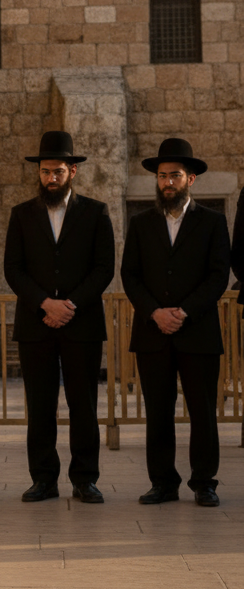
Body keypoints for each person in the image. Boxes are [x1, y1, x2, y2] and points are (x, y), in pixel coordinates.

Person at [3, 132, 115, 504]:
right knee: (40, 405)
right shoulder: (21, 214)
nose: (51, 178)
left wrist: (69, 305)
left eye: (58, 171)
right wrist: (44, 304)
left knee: (83, 404)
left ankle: (85, 479)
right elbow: (13, 269)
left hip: (80, 323)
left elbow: (103, 268)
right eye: (45, 171)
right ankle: (43, 478)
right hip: (36, 325)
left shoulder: (96, 212)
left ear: (73, 171)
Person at [120, 138, 231, 507]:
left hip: (197, 331)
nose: (167, 182)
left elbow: (218, 276)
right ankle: (163, 482)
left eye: (175, 176)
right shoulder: (140, 224)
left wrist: (183, 312)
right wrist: (155, 312)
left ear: (191, 179)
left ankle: (204, 482)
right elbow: (130, 275)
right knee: (158, 412)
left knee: (202, 412)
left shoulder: (212, 222)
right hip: (153, 333)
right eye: (162, 176)